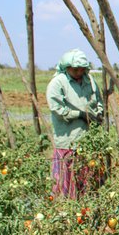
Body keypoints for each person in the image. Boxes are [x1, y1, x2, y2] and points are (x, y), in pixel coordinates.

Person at [46, 49, 104, 199]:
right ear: (66, 68)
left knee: (87, 180)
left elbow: (98, 101)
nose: (79, 72)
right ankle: (67, 211)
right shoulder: (58, 83)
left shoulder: (89, 81)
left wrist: (98, 114)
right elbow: (57, 110)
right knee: (65, 181)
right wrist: (79, 115)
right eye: (75, 70)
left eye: (82, 69)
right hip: (68, 140)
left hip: (88, 140)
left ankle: (85, 209)